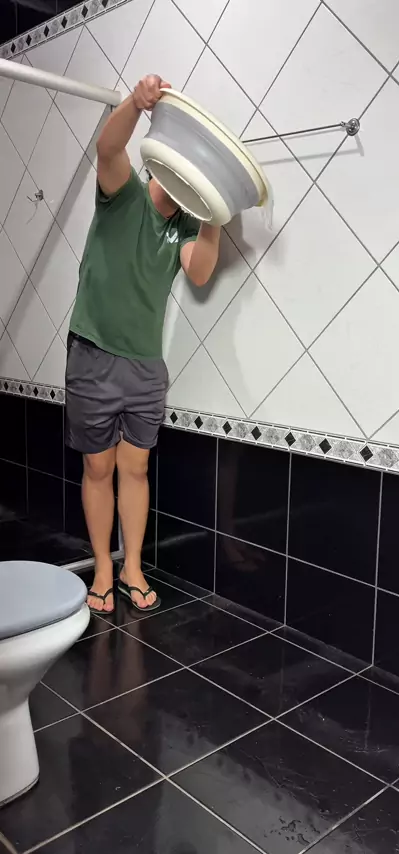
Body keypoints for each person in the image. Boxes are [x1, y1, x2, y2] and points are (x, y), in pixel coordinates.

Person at [65, 75, 220, 615]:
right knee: (98, 469)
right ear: (165, 164)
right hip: (93, 353)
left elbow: (199, 272)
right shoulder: (123, 194)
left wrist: (216, 214)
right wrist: (136, 103)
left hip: (146, 367)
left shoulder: (185, 230)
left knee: (134, 470)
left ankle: (132, 566)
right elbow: (108, 148)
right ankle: (103, 568)